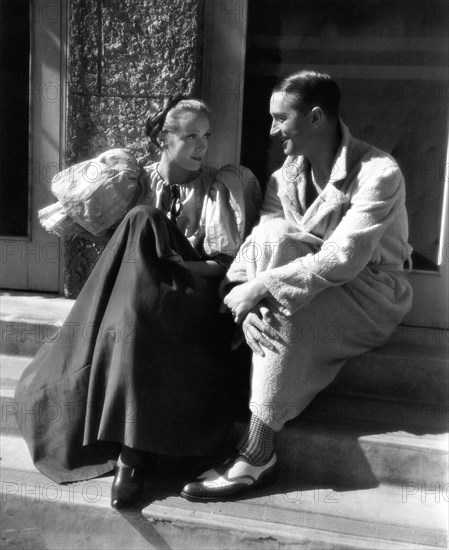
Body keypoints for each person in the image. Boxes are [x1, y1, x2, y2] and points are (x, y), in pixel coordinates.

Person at [14, 96, 262, 508]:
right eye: (190, 136)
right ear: (161, 139)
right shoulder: (133, 183)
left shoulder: (223, 185)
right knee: (141, 219)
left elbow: (226, 267)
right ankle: (132, 454)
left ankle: (132, 457)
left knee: (144, 222)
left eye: (206, 136)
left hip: (195, 297)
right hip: (142, 305)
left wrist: (170, 264)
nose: (202, 146)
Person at [180, 70, 413, 501]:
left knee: (286, 298)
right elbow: (257, 247)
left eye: (280, 118)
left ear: (317, 117)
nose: (271, 130)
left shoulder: (379, 172)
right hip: (303, 287)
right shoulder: (284, 177)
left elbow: (341, 257)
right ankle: (255, 439)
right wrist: (248, 305)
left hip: (370, 295)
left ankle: (257, 451)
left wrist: (262, 287)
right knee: (273, 240)